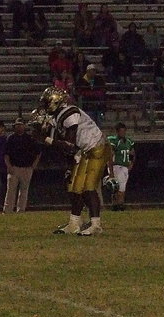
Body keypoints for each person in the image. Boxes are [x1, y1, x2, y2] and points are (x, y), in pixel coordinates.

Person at [36, 87, 113, 236]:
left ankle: (96, 224)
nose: (44, 107)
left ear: (54, 102)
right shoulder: (57, 117)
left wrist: (45, 138)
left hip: (97, 147)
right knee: (74, 188)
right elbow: (66, 148)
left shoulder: (70, 113)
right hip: (83, 151)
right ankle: (74, 223)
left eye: (46, 103)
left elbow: (70, 144)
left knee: (88, 187)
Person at [3, 118, 41, 213]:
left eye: (20, 125)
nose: (19, 127)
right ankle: (8, 210)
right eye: (17, 125)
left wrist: (33, 165)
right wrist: (9, 166)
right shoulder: (11, 138)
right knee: (11, 191)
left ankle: (21, 209)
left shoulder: (29, 139)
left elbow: (38, 152)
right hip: (14, 167)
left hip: (26, 168)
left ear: (24, 126)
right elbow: (6, 154)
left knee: (24, 191)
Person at [106, 122, 134, 211]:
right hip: (117, 166)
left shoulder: (128, 141)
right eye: (121, 131)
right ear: (117, 132)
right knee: (118, 188)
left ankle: (117, 205)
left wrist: (131, 165)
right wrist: (111, 171)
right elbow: (110, 156)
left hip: (125, 167)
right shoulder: (114, 141)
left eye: (124, 131)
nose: (123, 133)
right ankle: (119, 205)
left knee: (121, 187)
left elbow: (133, 154)